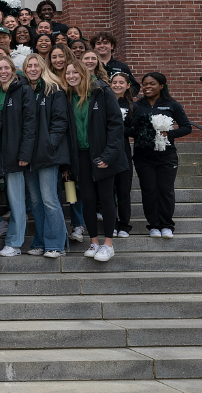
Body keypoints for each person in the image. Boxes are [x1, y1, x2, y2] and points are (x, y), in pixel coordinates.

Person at [63, 58, 128, 263]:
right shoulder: (66, 96)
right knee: (88, 200)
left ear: (84, 73)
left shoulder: (102, 92)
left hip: (102, 155)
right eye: (68, 73)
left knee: (106, 198)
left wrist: (108, 155)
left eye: (75, 72)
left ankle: (108, 244)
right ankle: (93, 242)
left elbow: (116, 126)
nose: (71, 76)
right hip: (80, 157)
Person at [131, 72, 192, 239]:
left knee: (165, 190)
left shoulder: (172, 105)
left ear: (161, 86)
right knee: (149, 190)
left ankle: (166, 225)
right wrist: (139, 132)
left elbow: (187, 127)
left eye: (152, 84)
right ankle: (153, 226)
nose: (147, 87)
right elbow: (129, 128)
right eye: (145, 84)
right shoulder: (137, 105)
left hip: (167, 155)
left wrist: (168, 134)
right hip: (143, 156)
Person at [0, 57, 37, 257]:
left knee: (17, 200)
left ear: (13, 70)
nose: (3, 71)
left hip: (15, 153)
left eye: (7, 68)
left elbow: (29, 124)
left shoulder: (23, 90)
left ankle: (15, 243)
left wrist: (25, 153)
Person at [23, 53, 70, 258]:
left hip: (48, 154)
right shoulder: (25, 91)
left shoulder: (54, 89)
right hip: (29, 155)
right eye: (28, 66)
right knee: (35, 202)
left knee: (50, 199)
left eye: (36, 65)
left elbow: (60, 121)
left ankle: (56, 245)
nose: (33, 69)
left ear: (43, 67)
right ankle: (40, 242)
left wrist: (50, 144)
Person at [109, 71, 136, 238]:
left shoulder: (133, 106)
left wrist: (118, 128)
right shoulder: (105, 102)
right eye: (114, 82)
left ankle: (124, 225)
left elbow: (134, 130)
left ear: (127, 86)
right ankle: (111, 223)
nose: (117, 85)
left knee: (123, 190)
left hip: (124, 151)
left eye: (121, 82)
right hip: (107, 152)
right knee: (108, 191)